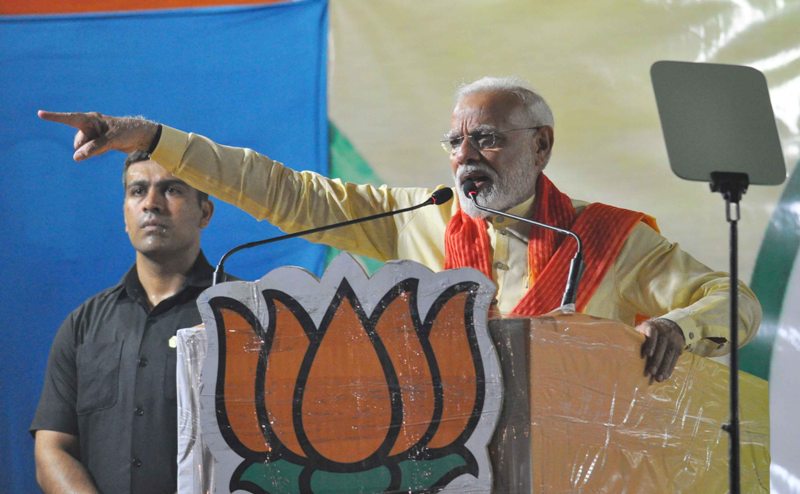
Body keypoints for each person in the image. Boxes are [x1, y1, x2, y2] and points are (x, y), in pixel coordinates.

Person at [38, 76, 761, 384]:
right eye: (455, 142)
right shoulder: (420, 219)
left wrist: (678, 326)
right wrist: (155, 139)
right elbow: (284, 192)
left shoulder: (608, 241)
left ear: (540, 146)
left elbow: (739, 302)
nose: (465, 158)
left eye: (486, 140)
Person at [30, 151, 215, 493]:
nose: (151, 203)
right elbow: (52, 450)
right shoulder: (83, 326)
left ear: (204, 212)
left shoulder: (241, 316)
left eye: (172, 189)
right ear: (125, 215)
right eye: (138, 191)